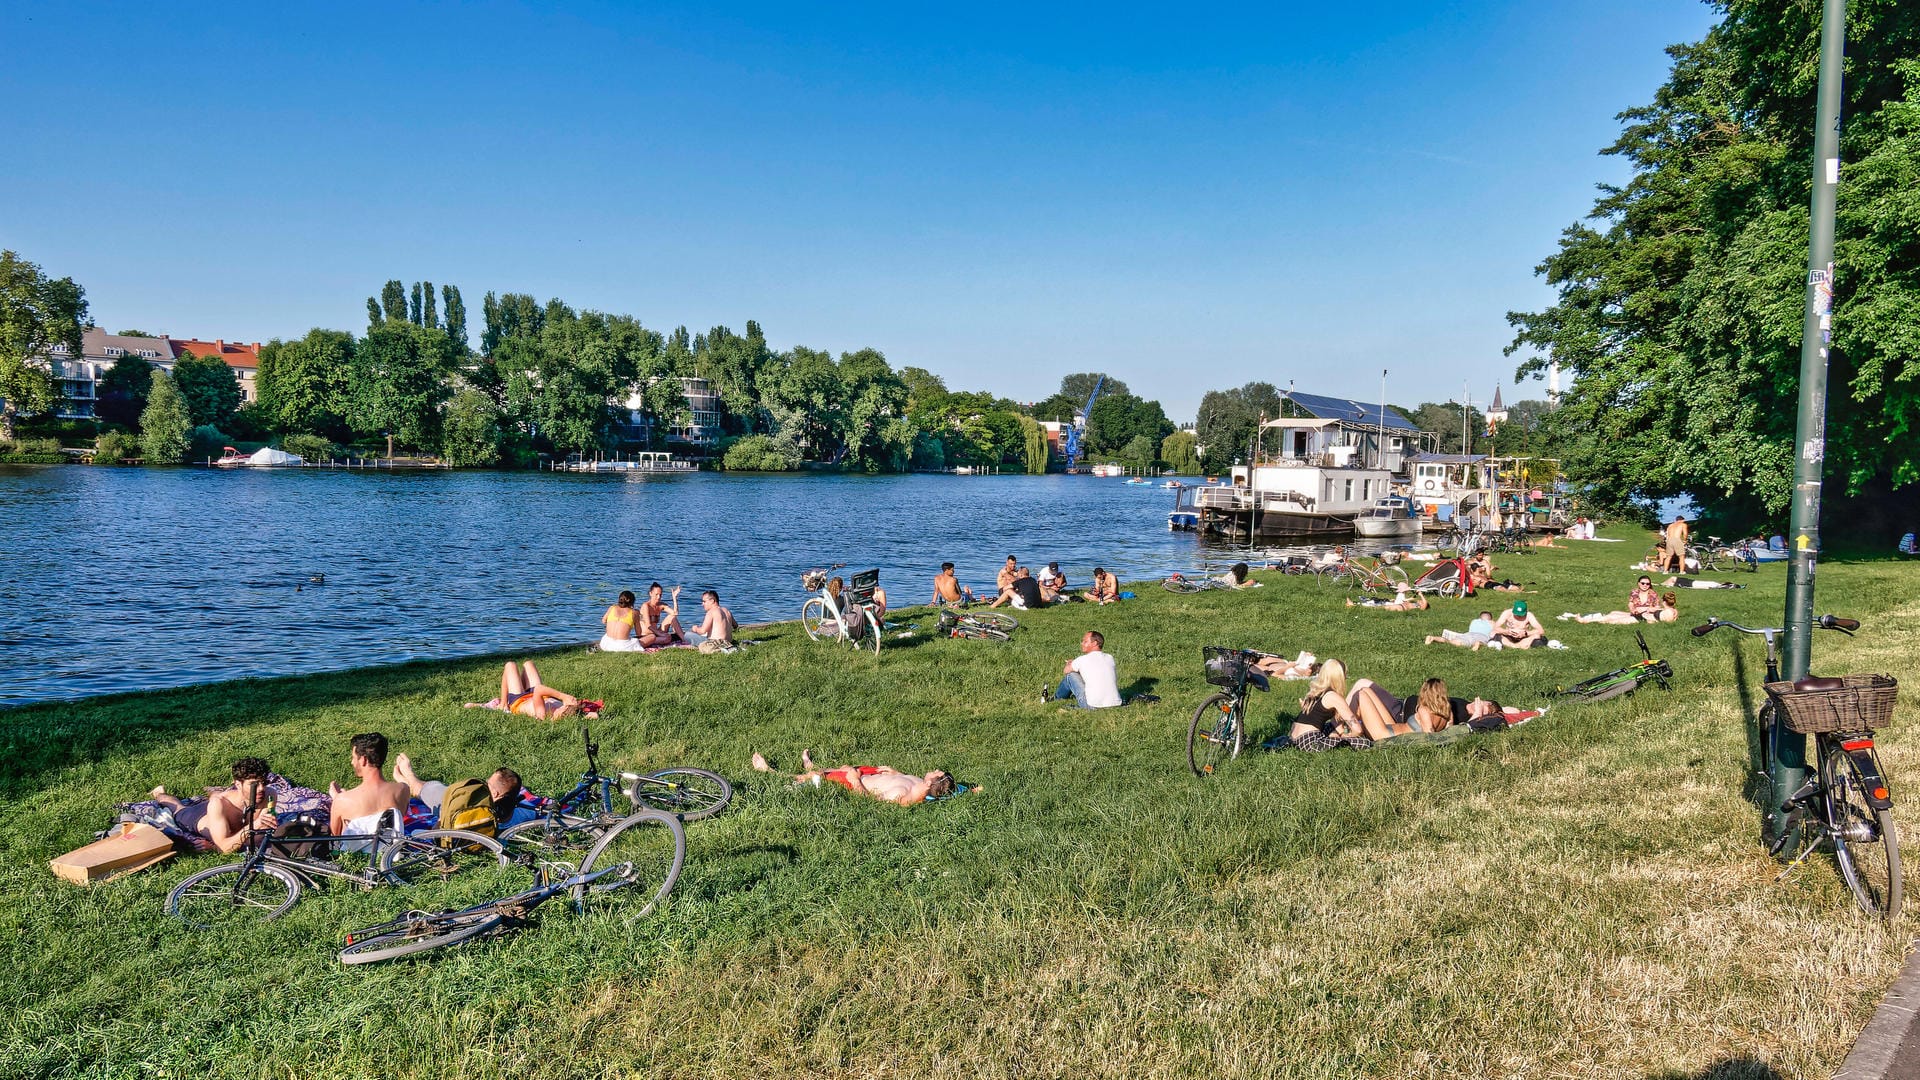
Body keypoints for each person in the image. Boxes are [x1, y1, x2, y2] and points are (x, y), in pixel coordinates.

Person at [149, 757, 280, 854]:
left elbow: (262, 835)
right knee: (178, 809)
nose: (261, 789)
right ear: (238, 784)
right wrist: (254, 826)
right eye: (254, 785)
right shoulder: (220, 804)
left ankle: (212, 792)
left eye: (264, 782)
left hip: (227, 815)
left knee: (217, 798)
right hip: (199, 818)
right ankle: (160, 794)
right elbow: (225, 847)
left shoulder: (269, 794)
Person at [751, 749, 956, 806]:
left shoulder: (903, 796)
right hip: (871, 774)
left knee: (813, 777)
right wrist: (895, 772)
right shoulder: (922, 783)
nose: (935, 769)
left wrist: (855, 780)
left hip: (857, 782)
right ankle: (814, 767)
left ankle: (769, 771)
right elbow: (958, 791)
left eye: (937, 772)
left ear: (932, 782)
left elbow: (870, 800)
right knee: (845, 766)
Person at [391, 754, 543, 830]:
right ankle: (410, 781)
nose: (484, 783)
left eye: (487, 783)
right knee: (434, 787)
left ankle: (408, 779)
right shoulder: (522, 812)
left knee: (423, 789)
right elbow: (536, 812)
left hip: (453, 809)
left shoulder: (478, 810)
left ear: (495, 794)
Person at [327, 732, 413, 850]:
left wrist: (337, 798)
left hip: (356, 857)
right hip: (391, 852)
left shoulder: (342, 801)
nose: (352, 762)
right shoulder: (403, 790)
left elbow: (335, 840)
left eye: (353, 757)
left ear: (363, 760)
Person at [465, 660, 598, 720]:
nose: (560, 707)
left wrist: (562, 696)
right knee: (529, 664)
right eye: (563, 707)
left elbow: (539, 689)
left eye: (560, 709)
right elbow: (592, 714)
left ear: (559, 716)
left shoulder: (543, 715)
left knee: (510, 665)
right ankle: (499, 703)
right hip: (537, 696)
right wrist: (589, 714)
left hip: (519, 701)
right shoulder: (568, 712)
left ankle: (503, 704)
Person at [1285, 659, 1371, 751]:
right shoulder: (1333, 696)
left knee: (1331, 726)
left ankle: (1334, 736)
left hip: (1294, 738)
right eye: (1345, 675)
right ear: (1339, 677)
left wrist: (1341, 732)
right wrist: (1348, 736)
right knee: (1364, 742)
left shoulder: (1315, 692)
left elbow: (1334, 721)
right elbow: (1358, 730)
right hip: (1310, 741)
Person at [1047, 630, 1122, 708]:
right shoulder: (1109, 657)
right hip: (1115, 704)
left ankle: (1056, 699)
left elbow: (1066, 671)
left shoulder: (1082, 659)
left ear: (1095, 643)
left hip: (1092, 706)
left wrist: (1070, 664)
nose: (1082, 643)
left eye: (1085, 641)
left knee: (1070, 675)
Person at [1560, 592, 1679, 624]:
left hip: (1640, 619)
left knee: (1610, 620)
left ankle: (1584, 620)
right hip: (1640, 616)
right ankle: (1587, 619)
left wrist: (1651, 612)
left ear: (1664, 600)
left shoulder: (1665, 613)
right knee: (1614, 613)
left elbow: (1652, 621)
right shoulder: (1674, 611)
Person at [638, 582, 682, 647]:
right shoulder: (645, 606)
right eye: (656, 594)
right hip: (647, 636)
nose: (658, 597)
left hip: (656, 633)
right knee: (667, 638)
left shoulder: (661, 605)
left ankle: (684, 639)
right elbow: (648, 625)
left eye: (660, 595)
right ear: (650, 593)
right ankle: (650, 642)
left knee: (671, 617)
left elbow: (675, 613)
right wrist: (661, 634)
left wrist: (674, 598)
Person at [1426, 611, 1497, 650]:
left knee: (1451, 642)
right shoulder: (1492, 622)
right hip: (1482, 636)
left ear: (1480, 617)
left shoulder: (1474, 621)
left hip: (1468, 634)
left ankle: (1433, 638)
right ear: (1490, 618)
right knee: (1485, 643)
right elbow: (1495, 632)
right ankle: (1479, 643)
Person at [1346, 585, 1428, 610]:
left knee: (1378, 607)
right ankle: (1354, 603)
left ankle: (1354, 604)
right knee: (1378, 605)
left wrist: (1421, 595)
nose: (1420, 600)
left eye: (1421, 601)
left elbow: (1425, 604)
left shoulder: (1419, 606)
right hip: (1399, 606)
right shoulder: (1415, 604)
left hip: (1400, 607)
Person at [1251, 650, 1317, 679]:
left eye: (1312, 668)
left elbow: (1275, 674)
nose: (1310, 666)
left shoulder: (1296, 677)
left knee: (1248, 664)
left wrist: (1288, 666)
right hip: (1283, 662)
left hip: (1270, 669)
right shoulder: (1305, 669)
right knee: (1253, 652)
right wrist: (1307, 656)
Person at [1661, 575, 1745, 590]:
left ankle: (1660, 585)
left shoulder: (1716, 586)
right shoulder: (1716, 584)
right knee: (1672, 580)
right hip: (1693, 582)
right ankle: (1661, 585)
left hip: (1692, 583)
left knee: (1672, 579)